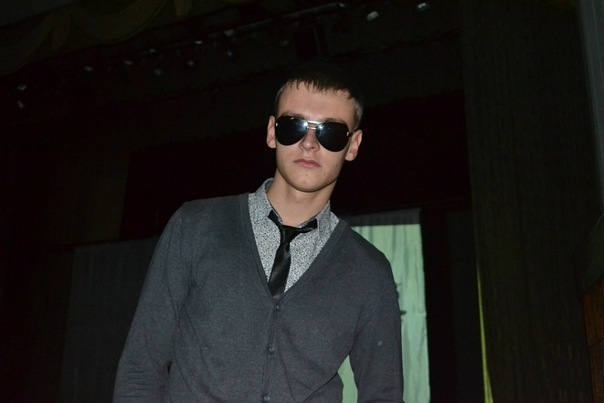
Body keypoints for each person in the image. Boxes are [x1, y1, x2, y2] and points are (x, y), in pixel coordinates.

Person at [113, 61, 403, 402]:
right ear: (271, 132)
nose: (309, 143)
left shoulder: (368, 271)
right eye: (293, 126)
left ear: (353, 145)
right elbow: (141, 368)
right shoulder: (196, 226)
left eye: (331, 133)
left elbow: (383, 395)